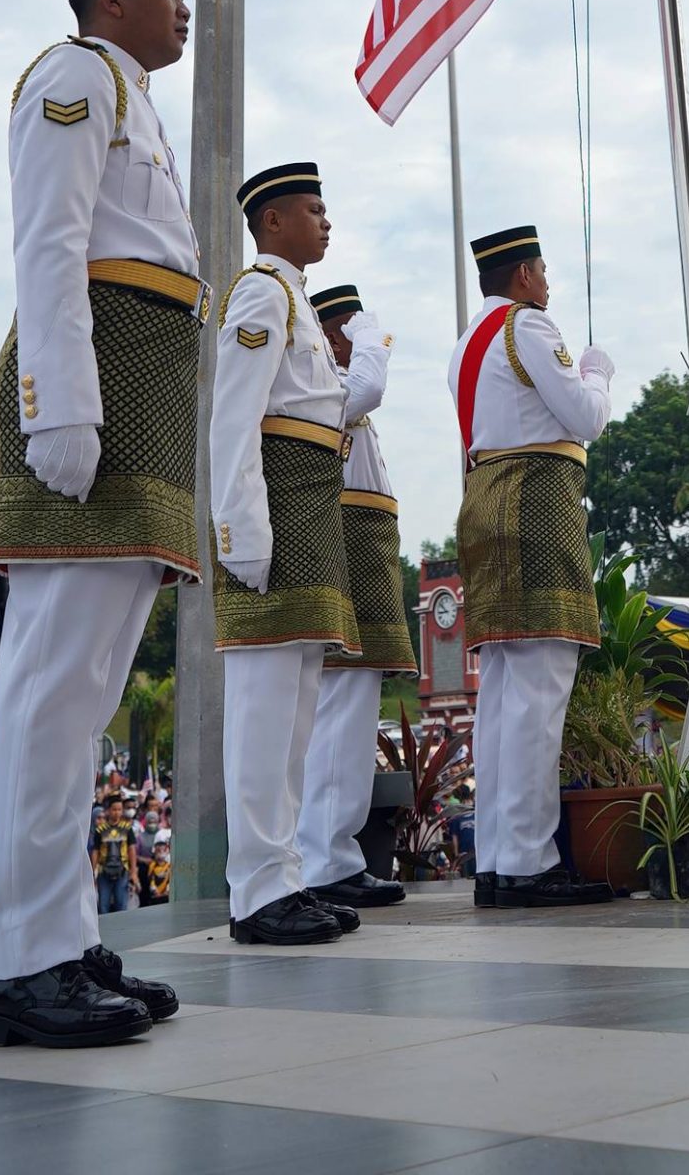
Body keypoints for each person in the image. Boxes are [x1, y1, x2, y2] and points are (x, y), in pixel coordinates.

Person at [0, 0, 198, 1049]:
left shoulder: (130, 94)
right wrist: (59, 402)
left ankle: (61, 938)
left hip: (139, 402)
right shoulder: (71, 77)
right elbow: (49, 244)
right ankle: (21, 962)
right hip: (90, 402)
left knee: (88, 694)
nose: (182, 3)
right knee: (54, 691)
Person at [211, 161, 361, 948]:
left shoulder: (295, 300)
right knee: (266, 709)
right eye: (313, 208)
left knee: (298, 702)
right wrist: (238, 527)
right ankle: (257, 890)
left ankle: (286, 876)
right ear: (272, 222)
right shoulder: (262, 293)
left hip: (306, 501)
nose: (325, 221)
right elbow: (233, 418)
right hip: (271, 506)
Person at [450, 223, 614, 912]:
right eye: (542, 273)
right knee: (539, 689)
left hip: (487, 498)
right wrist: (598, 371)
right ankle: (527, 860)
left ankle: (498, 857)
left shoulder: (467, 342)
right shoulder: (531, 327)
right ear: (523, 276)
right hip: (534, 502)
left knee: (505, 694)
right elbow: (585, 415)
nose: (548, 286)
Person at [299, 281, 416, 910]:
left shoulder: (351, 406)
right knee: (339, 707)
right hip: (341, 550)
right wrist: (372, 344)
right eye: (351, 329)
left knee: (355, 706)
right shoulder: (326, 385)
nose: (362, 339)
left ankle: (335, 852)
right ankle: (322, 857)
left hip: (362, 550)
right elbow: (367, 385)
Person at [89, 789, 138, 913]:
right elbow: (96, 850)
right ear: (108, 810)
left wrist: (133, 871)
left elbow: (131, 849)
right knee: (103, 905)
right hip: (103, 871)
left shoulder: (126, 828)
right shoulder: (100, 830)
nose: (117, 813)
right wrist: (92, 872)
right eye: (114, 809)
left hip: (122, 870)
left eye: (119, 810)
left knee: (121, 904)